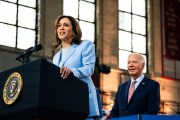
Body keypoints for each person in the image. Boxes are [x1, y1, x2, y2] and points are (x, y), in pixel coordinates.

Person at [52, 15, 102, 120]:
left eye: (66, 25)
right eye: (59, 26)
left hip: (82, 100)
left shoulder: (85, 45)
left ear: (74, 31)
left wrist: (72, 71)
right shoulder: (56, 57)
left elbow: (89, 69)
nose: (61, 28)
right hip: (64, 104)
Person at [111, 53, 160, 118]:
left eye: (134, 62)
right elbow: (115, 111)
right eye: (128, 62)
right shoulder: (122, 87)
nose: (131, 65)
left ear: (142, 66)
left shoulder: (152, 85)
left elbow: (152, 111)